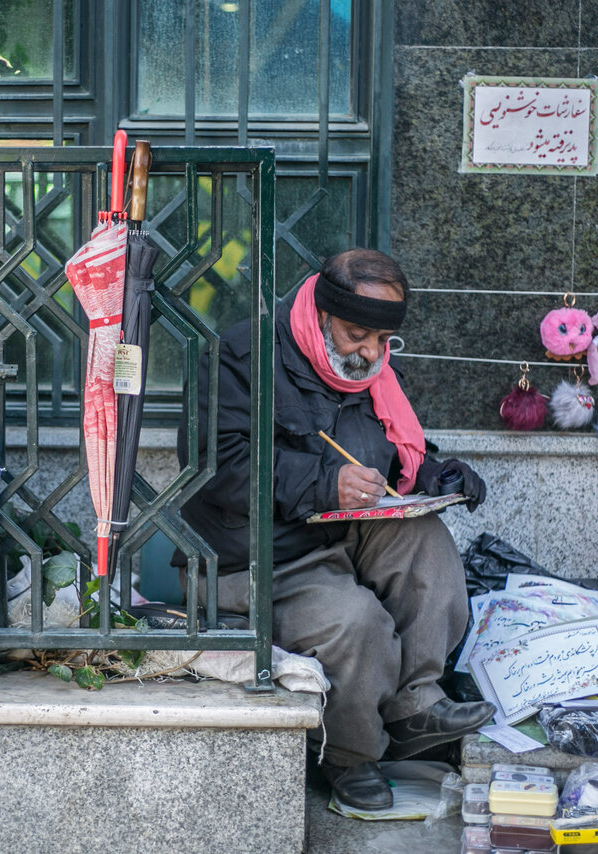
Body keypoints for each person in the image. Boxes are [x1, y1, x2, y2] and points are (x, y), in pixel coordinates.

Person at [175, 248, 495, 811]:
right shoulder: (239, 354)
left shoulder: (368, 368)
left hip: (342, 533)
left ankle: (415, 705)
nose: (372, 354)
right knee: (354, 622)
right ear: (322, 317)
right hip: (255, 557)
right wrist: (326, 484)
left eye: (383, 342)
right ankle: (351, 757)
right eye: (357, 337)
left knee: (427, 541)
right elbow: (215, 465)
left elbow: (395, 453)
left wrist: (437, 473)